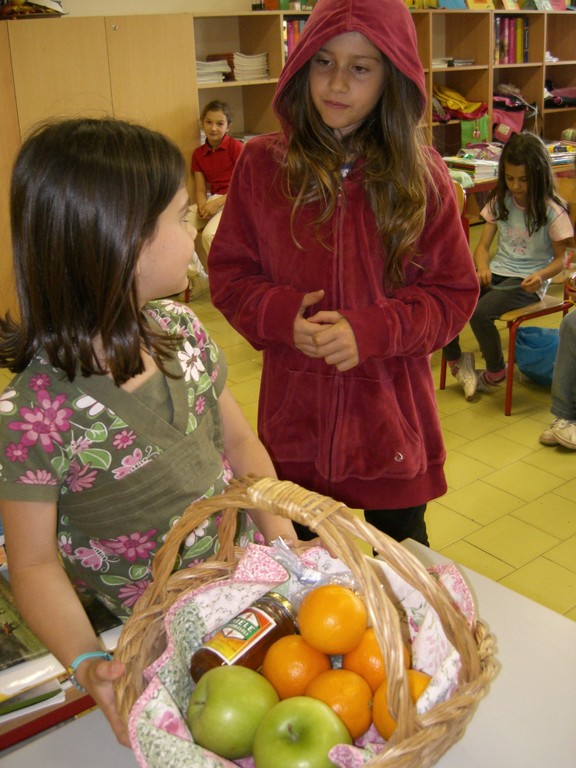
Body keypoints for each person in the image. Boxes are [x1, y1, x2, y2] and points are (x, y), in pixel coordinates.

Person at [0, 118, 298, 745]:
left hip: (242, 586)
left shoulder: (180, 329)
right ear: (123, 243)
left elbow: (240, 444)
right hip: (150, 636)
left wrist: (284, 544)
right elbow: (31, 562)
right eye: (184, 215)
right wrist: (88, 663)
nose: (195, 230)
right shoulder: (35, 416)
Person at [208, 0, 478, 547]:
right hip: (293, 428)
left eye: (361, 67)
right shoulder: (261, 165)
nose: (336, 83)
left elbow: (451, 293)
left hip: (390, 426)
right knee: (301, 577)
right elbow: (230, 277)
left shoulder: (422, 175)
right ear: (302, 63)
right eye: (323, 61)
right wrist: (285, 318)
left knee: (403, 578)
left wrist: (372, 330)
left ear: (392, 76)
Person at [444, 132, 574, 401]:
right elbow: (482, 247)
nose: (515, 186)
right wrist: (481, 267)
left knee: (480, 313)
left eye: (524, 180)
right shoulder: (500, 201)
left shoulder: (552, 210)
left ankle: (495, 371)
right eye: (510, 178)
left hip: (526, 283)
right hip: (498, 274)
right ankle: (457, 360)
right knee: (448, 299)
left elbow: (561, 259)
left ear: (538, 176)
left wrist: (540, 275)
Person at [188, 100, 244, 264]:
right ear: (202, 124)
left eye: (220, 124)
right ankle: (196, 276)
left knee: (209, 235)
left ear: (228, 127)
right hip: (213, 200)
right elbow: (200, 189)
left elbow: (243, 186)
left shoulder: (236, 147)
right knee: (178, 227)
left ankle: (225, 279)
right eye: (209, 122)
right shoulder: (198, 154)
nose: (213, 128)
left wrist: (216, 203)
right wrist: (202, 206)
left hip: (234, 201)